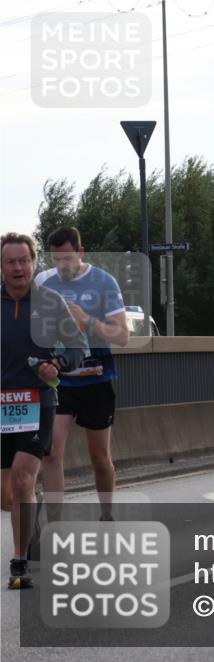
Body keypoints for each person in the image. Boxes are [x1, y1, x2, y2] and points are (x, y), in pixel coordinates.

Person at [2, 233, 87, 589]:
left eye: (24, 260)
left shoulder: (50, 302)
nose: (18, 267)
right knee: (9, 494)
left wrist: (58, 362)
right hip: (2, 403)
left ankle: (19, 564)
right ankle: (29, 516)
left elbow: (79, 347)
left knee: (23, 477)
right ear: (2, 267)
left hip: (38, 400)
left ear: (34, 263)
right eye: (11, 262)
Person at [36, 227, 129, 522]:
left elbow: (123, 335)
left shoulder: (104, 282)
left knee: (100, 457)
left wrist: (87, 321)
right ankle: (55, 525)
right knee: (51, 452)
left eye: (67, 258)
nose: (61, 266)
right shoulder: (43, 283)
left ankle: (107, 514)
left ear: (80, 252)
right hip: (60, 380)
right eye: (56, 259)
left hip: (96, 379)